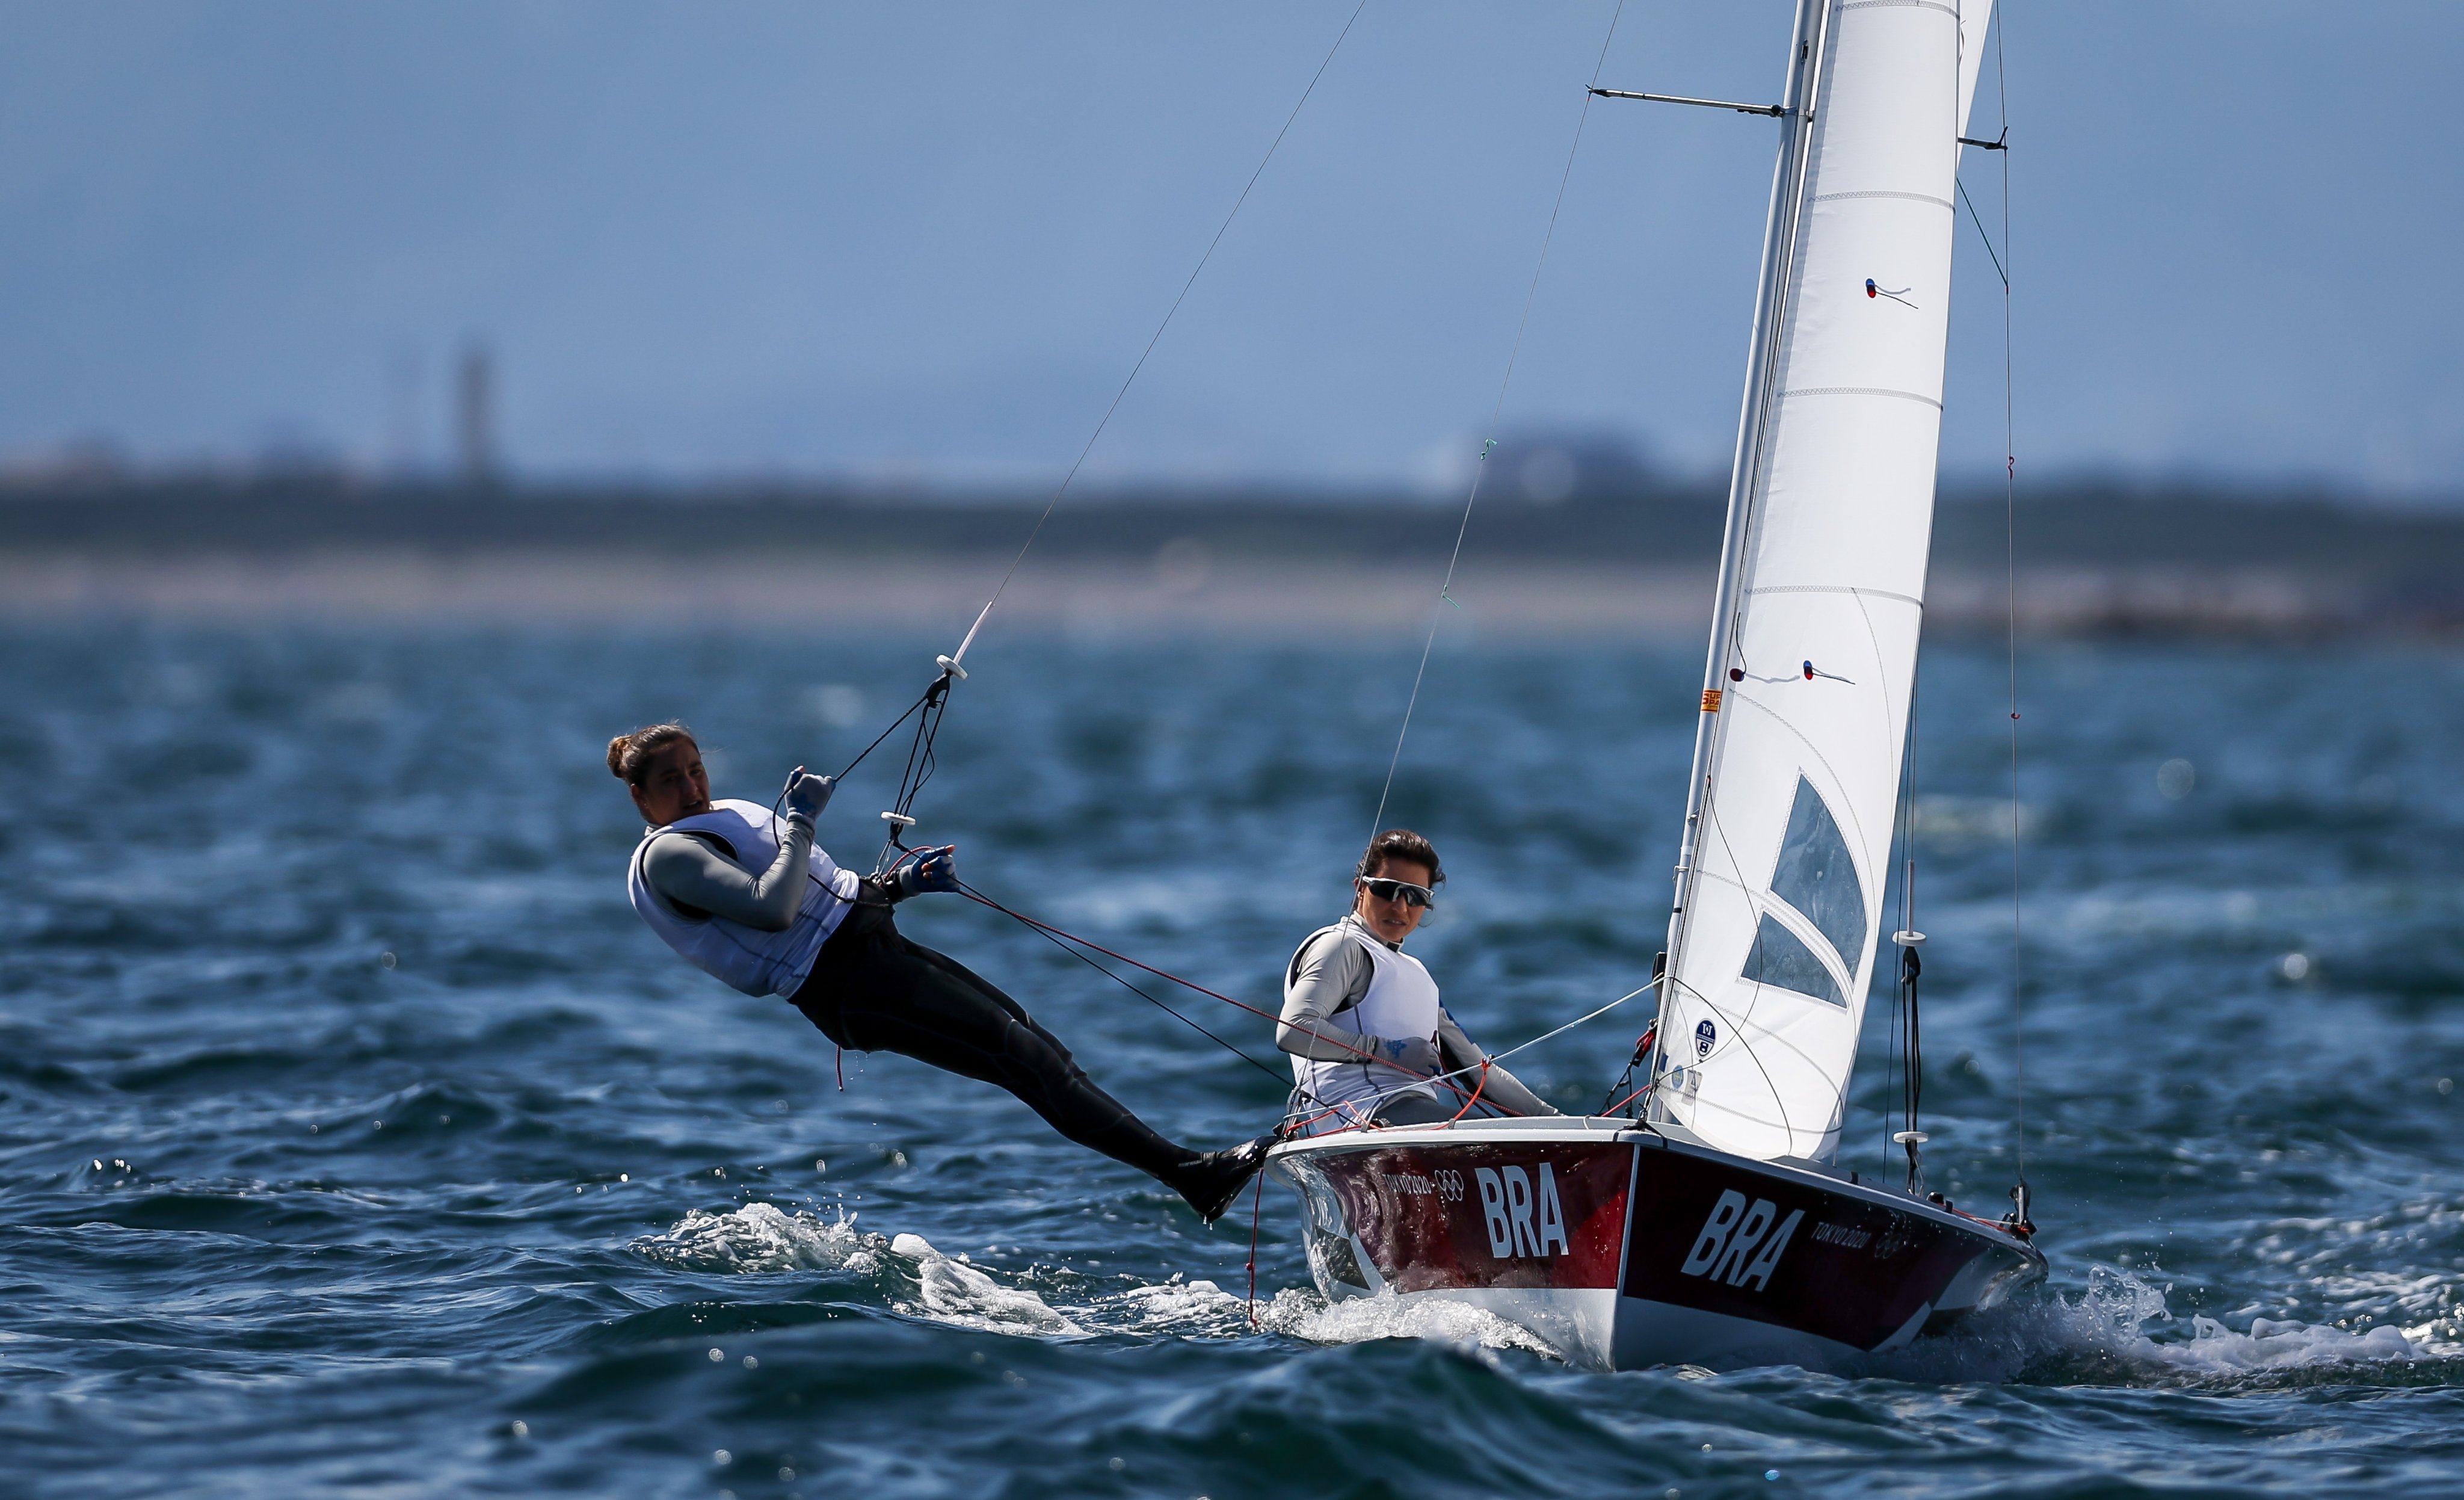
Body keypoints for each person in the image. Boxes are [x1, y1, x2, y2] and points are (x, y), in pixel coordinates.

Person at [610, 721, 1270, 1223]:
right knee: (1026, 1059)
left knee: (1041, 1050)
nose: (692, 788)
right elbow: (774, 909)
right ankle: (1193, 1175)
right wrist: (802, 820)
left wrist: (900, 885)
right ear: (640, 796)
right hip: (850, 986)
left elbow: (824, 899)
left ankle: (1193, 1175)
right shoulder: (669, 855)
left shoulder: (719, 818)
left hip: (879, 953)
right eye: (671, 781)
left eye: (696, 770)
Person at [1277, 829, 1559, 1134]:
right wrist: (1387, 1051)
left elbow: (1479, 1072)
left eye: (1416, 897)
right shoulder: (1341, 945)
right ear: (1360, 888)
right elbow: (1294, 1030)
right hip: (1356, 1121)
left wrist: (1557, 1121)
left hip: (1409, 1120)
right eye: (1388, 890)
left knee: (1529, 1139)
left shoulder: (1418, 974)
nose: (1401, 907)